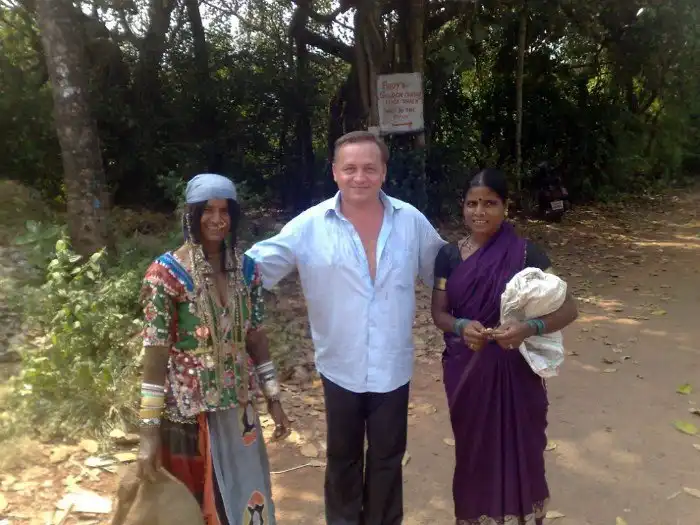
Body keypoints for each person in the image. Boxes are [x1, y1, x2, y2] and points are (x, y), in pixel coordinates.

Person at [245, 131, 446, 525]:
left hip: (392, 366)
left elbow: (444, 271)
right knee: (342, 458)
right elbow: (254, 268)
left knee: (388, 458)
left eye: (369, 168)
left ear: (384, 172)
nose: (360, 177)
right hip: (339, 366)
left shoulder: (411, 222)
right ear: (335, 172)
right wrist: (197, 268)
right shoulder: (309, 226)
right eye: (350, 168)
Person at [136, 173, 290, 525]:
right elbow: (155, 356)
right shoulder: (166, 274)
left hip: (239, 410)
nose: (216, 219)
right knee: (193, 506)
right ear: (191, 215)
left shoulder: (247, 270)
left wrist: (274, 398)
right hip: (188, 414)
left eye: (224, 211)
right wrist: (147, 431)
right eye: (207, 210)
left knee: (246, 494)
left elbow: (255, 337)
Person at [430, 168, 578, 525]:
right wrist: (461, 326)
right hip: (467, 369)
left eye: (490, 203)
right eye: (472, 204)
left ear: (505, 207)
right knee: (473, 449)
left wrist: (529, 328)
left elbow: (569, 308)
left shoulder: (527, 254)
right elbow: (439, 313)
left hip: (517, 370)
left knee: (522, 447)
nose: (479, 212)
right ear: (463, 206)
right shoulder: (448, 256)